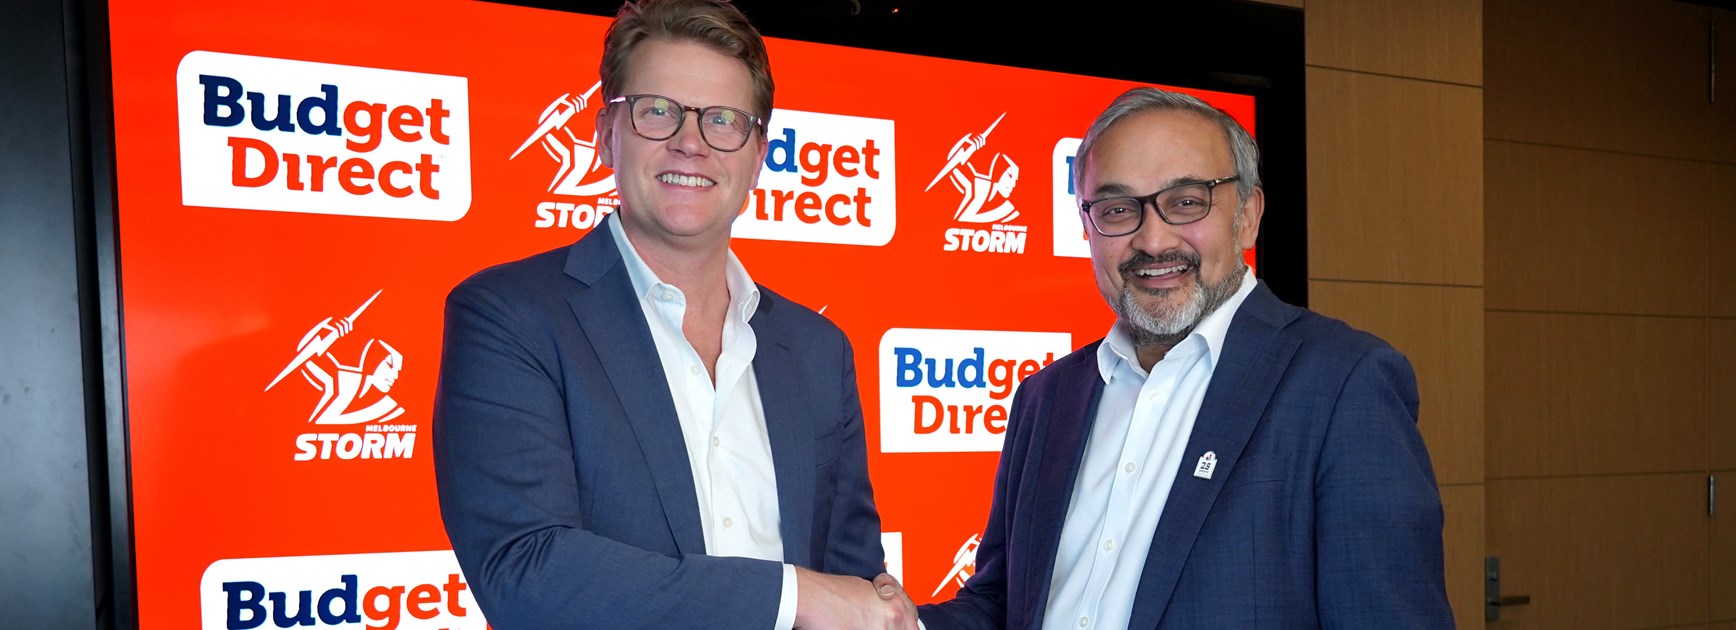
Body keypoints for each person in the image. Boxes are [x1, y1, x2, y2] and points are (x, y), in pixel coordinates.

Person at [432, 1, 915, 627]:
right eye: (657, 111)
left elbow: (856, 584)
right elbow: (526, 571)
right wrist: (793, 596)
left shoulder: (820, 349)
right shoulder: (509, 317)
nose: (691, 143)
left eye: (723, 120)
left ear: (758, 156)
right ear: (606, 135)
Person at [916, 87, 1454, 628]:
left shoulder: (1344, 383)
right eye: (1118, 209)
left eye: (1187, 202)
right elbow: (1002, 605)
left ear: (1247, 216)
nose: (1153, 241)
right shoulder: (1045, 397)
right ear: (1087, 227)